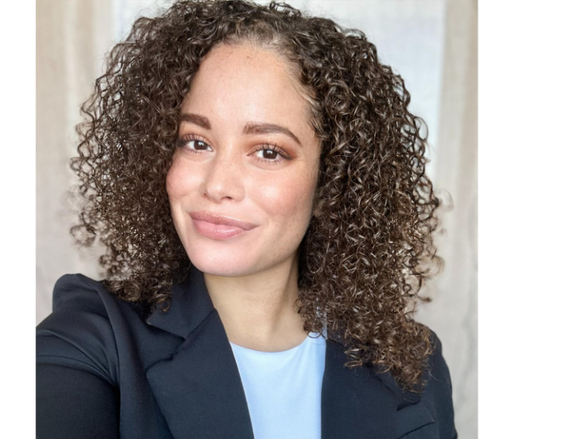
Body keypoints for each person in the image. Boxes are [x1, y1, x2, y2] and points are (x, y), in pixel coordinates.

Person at [36, 1, 456, 438]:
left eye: (268, 151)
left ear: (331, 180)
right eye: (196, 142)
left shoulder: (413, 366)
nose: (218, 185)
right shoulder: (91, 341)